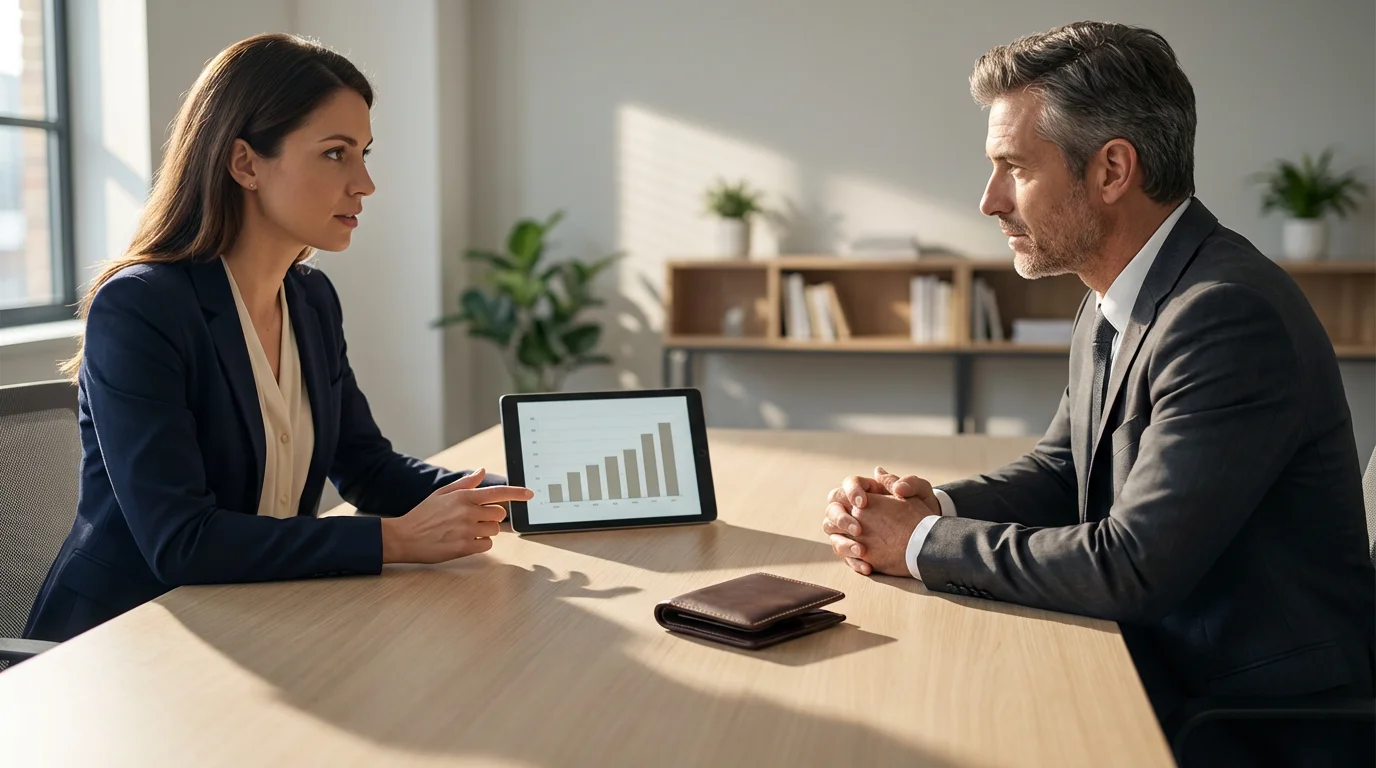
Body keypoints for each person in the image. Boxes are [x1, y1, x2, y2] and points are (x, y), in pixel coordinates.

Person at [820, 21, 1374, 766]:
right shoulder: (1119, 294)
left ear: (1112, 170)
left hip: (1245, 713)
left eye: (1013, 168)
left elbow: (1132, 565)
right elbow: (1061, 471)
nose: (989, 200)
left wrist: (916, 544)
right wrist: (931, 506)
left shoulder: (1225, 314)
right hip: (1166, 661)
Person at [25, 34, 533, 643]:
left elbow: (366, 467)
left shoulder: (311, 299)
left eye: (364, 153)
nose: (365, 183)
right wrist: (397, 539)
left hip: (262, 617)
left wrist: (497, 495)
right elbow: (182, 542)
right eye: (335, 154)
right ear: (245, 164)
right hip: (129, 637)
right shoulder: (141, 306)